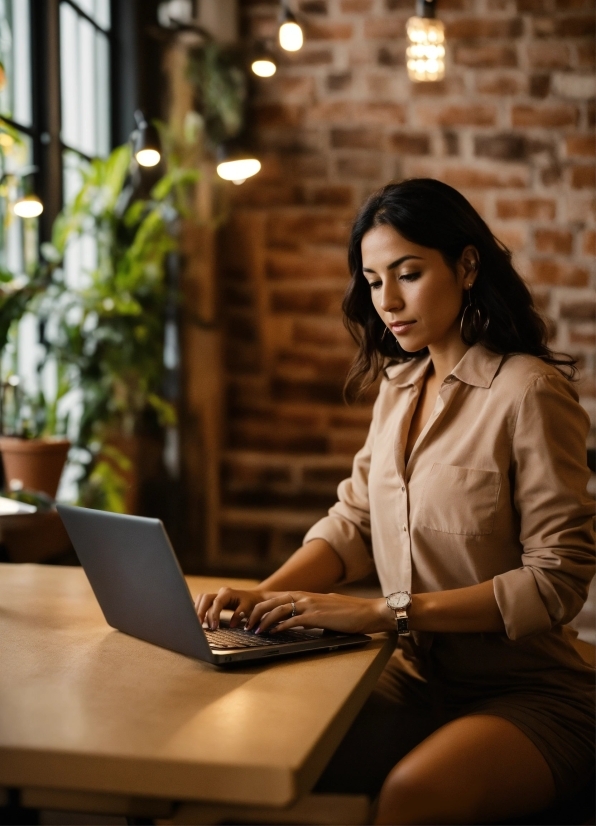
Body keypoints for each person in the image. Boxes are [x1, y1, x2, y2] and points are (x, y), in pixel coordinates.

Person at [195, 179, 595, 825]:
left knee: (412, 798)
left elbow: (557, 581)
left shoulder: (528, 392)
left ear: (466, 267)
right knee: (246, 742)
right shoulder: (399, 385)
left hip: (530, 691)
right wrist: (260, 596)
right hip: (411, 674)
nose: (389, 301)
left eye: (408, 274)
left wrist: (387, 612)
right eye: (374, 280)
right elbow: (354, 521)